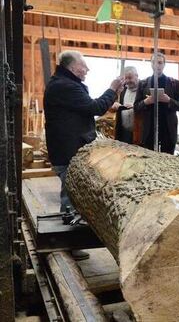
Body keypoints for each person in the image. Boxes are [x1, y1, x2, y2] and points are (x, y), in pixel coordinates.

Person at [44, 50, 124, 214]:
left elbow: (83, 107)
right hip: (69, 152)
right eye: (84, 66)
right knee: (72, 196)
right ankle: (68, 233)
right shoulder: (65, 86)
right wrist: (112, 89)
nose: (87, 70)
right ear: (73, 67)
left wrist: (109, 99)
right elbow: (95, 108)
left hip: (69, 149)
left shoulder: (63, 83)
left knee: (74, 193)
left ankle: (71, 226)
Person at [134, 52, 179, 154]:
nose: (157, 65)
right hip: (149, 129)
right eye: (154, 62)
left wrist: (169, 100)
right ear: (151, 64)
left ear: (164, 64)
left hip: (168, 128)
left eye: (160, 63)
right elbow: (136, 107)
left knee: (167, 160)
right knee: (148, 160)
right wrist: (146, 101)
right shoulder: (143, 84)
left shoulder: (175, 84)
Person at [113, 66, 140, 144]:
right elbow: (113, 102)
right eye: (126, 78)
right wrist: (114, 104)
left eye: (130, 78)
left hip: (138, 131)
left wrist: (135, 106)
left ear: (137, 76)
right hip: (123, 131)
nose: (128, 81)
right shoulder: (122, 89)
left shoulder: (144, 89)